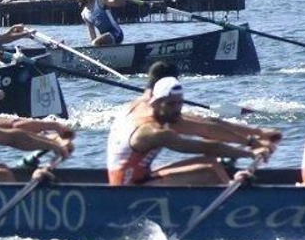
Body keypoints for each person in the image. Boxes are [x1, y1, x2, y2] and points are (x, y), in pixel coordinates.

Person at [107, 77, 272, 186]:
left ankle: (228, 189)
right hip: (127, 187)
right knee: (209, 173)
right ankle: (233, 205)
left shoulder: (149, 109)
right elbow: (206, 147)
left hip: (142, 175)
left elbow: (207, 128)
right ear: (156, 103)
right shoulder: (154, 132)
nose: (177, 109)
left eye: (180, 103)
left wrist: (253, 140)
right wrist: (249, 154)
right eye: (171, 104)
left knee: (212, 162)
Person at [119, 61, 281, 151]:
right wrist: (253, 143)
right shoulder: (155, 112)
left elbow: (207, 122)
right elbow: (207, 130)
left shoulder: (147, 102)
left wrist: (258, 132)